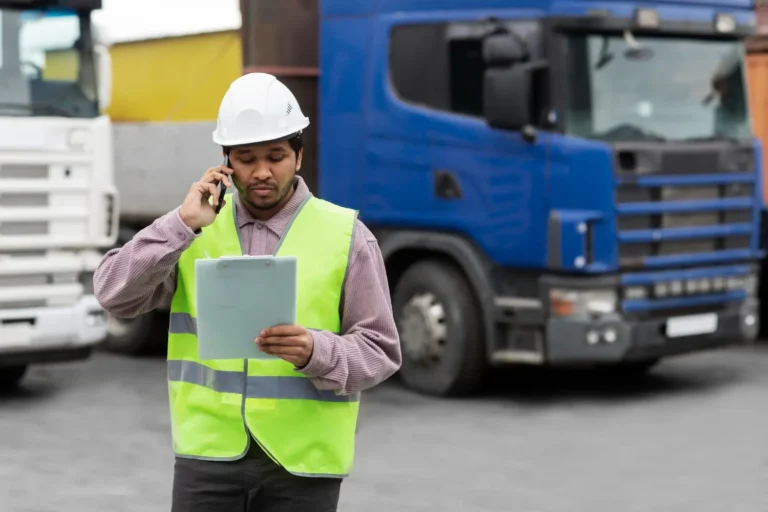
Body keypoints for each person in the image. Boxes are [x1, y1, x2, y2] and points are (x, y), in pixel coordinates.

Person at [94, 73, 402, 511]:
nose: (261, 172)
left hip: (303, 463)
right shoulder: (191, 232)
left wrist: (317, 351)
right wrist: (178, 226)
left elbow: (381, 350)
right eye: (246, 158)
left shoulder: (347, 236)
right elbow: (111, 294)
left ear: (299, 157)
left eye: (275, 156)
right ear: (226, 164)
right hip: (208, 456)